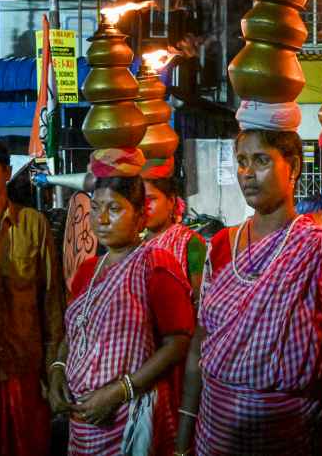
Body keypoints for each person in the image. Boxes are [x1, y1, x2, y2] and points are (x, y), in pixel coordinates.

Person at [175, 102, 322, 455]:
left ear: (292, 170)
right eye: (242, 161)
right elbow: (200, 344)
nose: (247, 172)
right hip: (216, 434)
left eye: (261, 160)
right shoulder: (221, 248)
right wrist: (183, 437)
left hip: (290, 435)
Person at [47, 149, 194, 454]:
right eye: (96, 207)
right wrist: (58, 369)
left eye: (114, 208)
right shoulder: (89, 269)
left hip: (131, 414)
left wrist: (119, 391)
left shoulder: (156, 264)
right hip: (84, 417)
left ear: (140, 215)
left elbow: (178, 342)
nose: (101, 219)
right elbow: (76, 329)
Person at [0, 136, 65, 456]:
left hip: (25, 368)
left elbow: (51, 300)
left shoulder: (33, 224)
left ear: (7, 173)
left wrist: (53, 369)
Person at [141, 162, 206, 301]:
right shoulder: (136, 246)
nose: (144, 207)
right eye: (140, 201)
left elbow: (199, 300)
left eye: (151, 199)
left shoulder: (190, 242)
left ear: (171, 201)